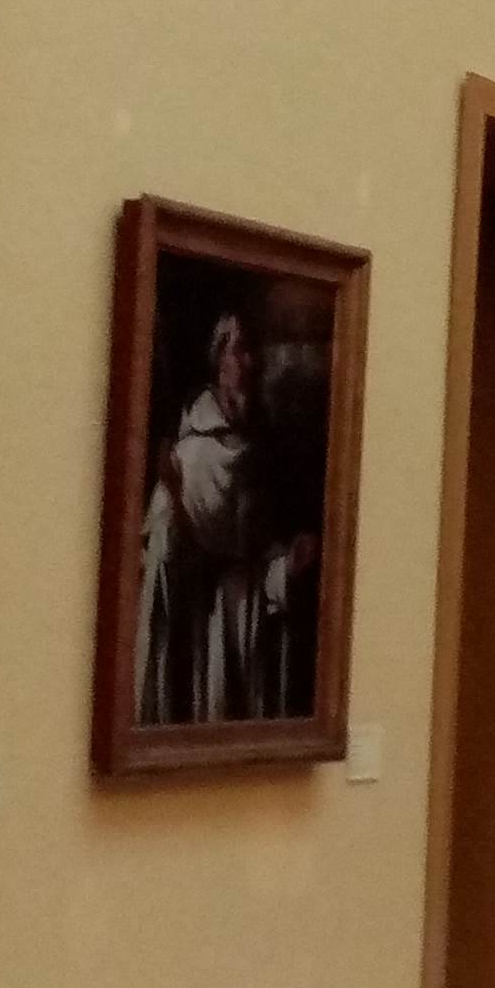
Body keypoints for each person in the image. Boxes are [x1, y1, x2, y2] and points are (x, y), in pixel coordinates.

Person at [138, 308, 317, 725]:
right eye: (240, 351)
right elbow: (164, 563)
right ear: (219, 359)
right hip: (203, 639)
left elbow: (258, 560)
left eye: (254, 351)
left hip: (245, 637)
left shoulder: (263, 452)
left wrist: (288, 566)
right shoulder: (191, 455)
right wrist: (176, 504)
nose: (250, 363)